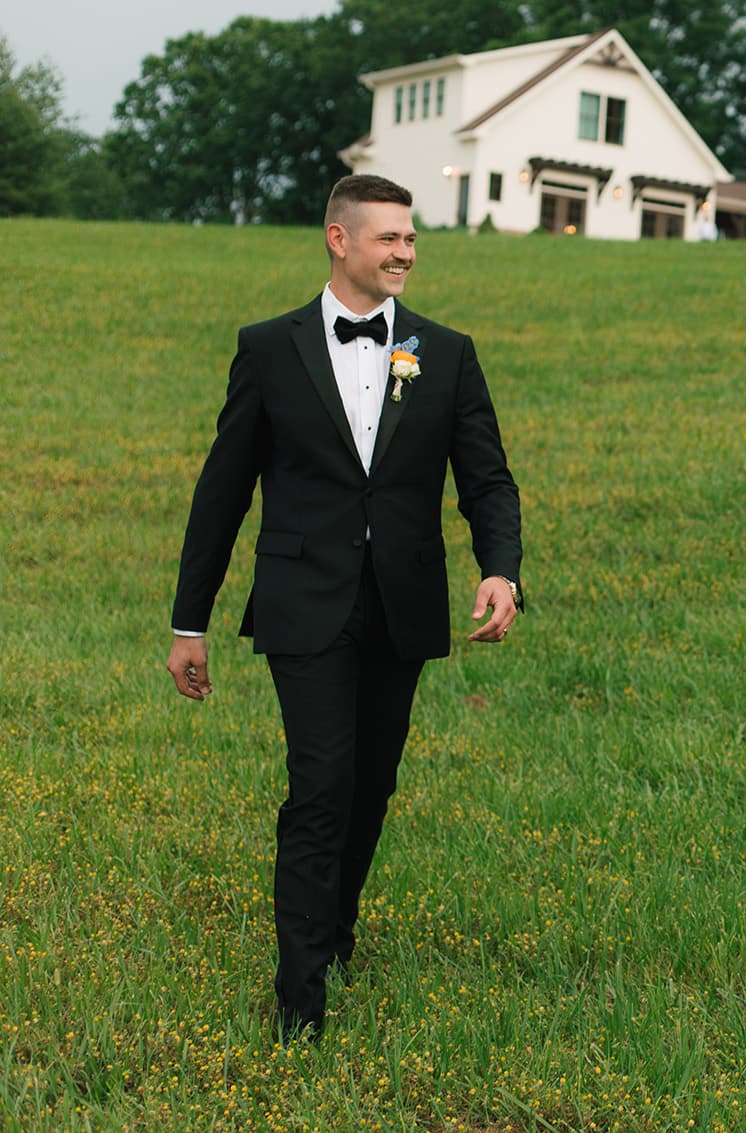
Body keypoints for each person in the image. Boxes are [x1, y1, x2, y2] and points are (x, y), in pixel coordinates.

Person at [165, 174, 524, 1040]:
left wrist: (500, 569)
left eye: (411, 239)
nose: (404, 252)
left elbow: (487, 477)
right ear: (338, 238)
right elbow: (223, 491)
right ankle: (299, 1000)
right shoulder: (268, 348)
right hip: (301, 603)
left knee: (370, 785)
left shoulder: (446, 351)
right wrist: (190, 620)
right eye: (388, 238)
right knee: (320, 785)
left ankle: (335, 929)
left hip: (401, 604)